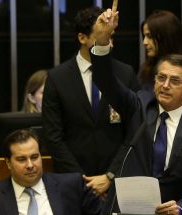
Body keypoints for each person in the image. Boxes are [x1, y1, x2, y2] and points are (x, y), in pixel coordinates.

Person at [90, 7, 182, 215]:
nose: (165, 85)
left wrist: (181, 208)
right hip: (131, 212)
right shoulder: (140, 106)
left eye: (175, 81)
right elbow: (107, 82)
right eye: (161, 78)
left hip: (173, 212)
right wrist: (102, 40)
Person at [42, 6, 139, 197]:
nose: (108, 43)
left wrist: (110, 176)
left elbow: (135, 131)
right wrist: (81, 179)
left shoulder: (125, 73)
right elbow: (53, 136)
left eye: (110, 36)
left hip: (117, 184)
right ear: (82, 38)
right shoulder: (57, 78)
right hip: (73, 185)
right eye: (101, 36)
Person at [0, 129, 101, 215]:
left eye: (34, 157)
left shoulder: (72, 186)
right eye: (22, 159)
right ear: (8, 163)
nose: (30, 165)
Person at [139, 10, 182, 115]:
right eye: (144, 36)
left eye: (149, 36)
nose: (144, 42)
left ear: (165, 37)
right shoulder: (146, 71)